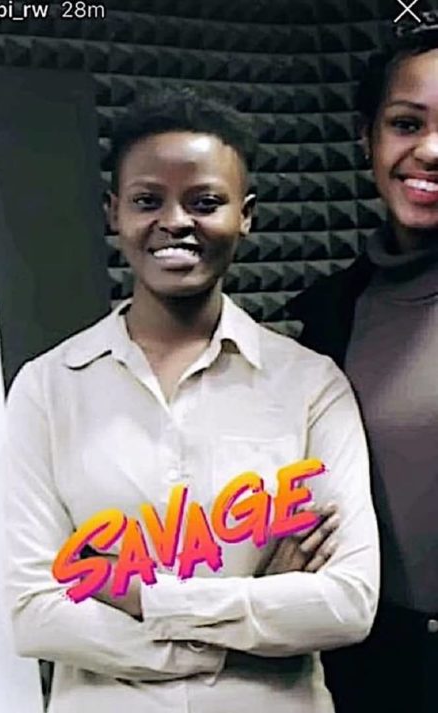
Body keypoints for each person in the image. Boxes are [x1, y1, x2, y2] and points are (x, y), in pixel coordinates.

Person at [3, 88, 379, 713]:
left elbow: (347, 603)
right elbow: (34, 613)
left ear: (246, 214)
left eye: (205, 202)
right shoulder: (48, 387)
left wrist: (147, 600)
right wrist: (243, 629)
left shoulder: (311, 385)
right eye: (147, 200)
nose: (175, 221)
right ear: (113, 212)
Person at [289, 17, 438, 713]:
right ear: (368, 140)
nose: (429, 150)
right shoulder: (329, 314)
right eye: (406, 124)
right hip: (380, 670)